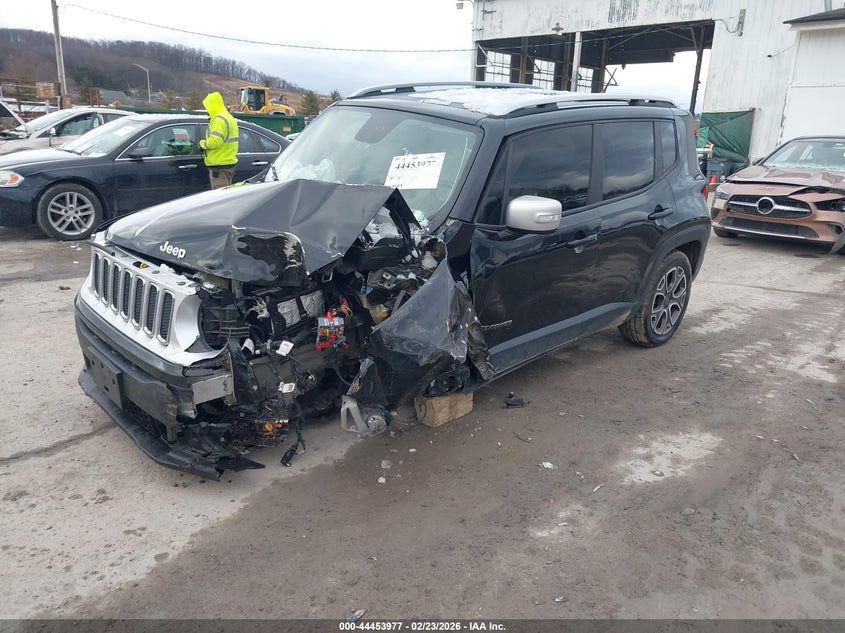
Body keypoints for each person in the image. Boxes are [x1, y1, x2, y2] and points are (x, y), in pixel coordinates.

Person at [199, 91, 239, 189]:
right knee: (226, 195)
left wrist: (202, 144)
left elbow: (215, 141)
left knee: (220, 198)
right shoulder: (228, 117)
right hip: (227, 163)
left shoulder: (219, 119)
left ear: (212, 106)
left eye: (207, 107)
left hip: (219, 166)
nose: (207, 110)